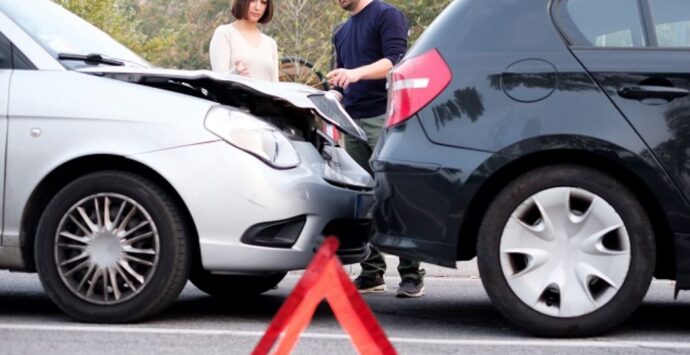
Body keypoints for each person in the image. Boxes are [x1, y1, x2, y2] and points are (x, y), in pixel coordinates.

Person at [327, 0, 425, 298]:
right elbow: (341, 79)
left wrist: (355, 73)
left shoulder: (386, 14)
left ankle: (411, 273)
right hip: (352, 122)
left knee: (394, 194)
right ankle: (371, 273)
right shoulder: (341, 32)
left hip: (384, 118)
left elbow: (394, 62)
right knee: (363, 198)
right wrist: (333, 91)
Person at [209, 0, 279, 82]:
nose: (257, 7)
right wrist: (235, 74)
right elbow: (218, 81)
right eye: (253, 1)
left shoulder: (270, 43)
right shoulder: (224, 33)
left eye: (263, 2)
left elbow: (275, 86)